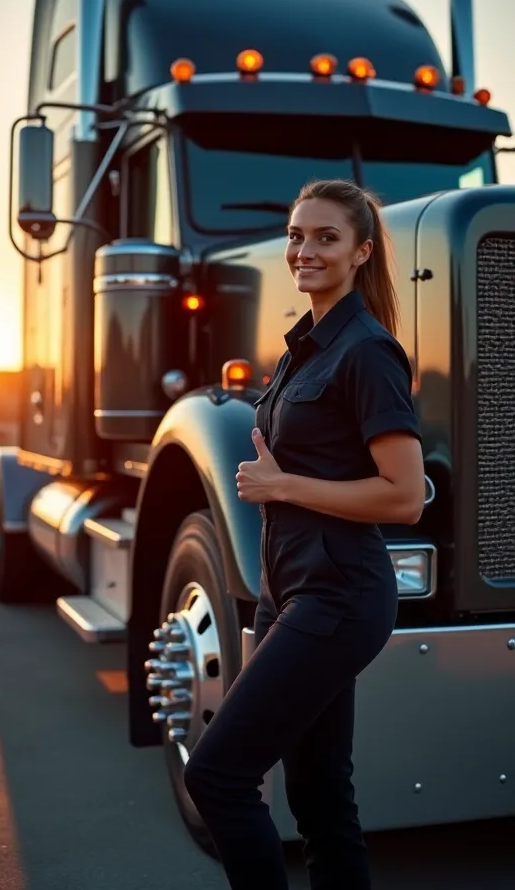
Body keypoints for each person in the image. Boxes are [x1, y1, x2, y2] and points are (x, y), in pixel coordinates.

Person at [182, 178, 425, 890]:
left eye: (325, 238)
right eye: (296, 235)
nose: (303, 250)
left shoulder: (367, 351)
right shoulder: (302, 351)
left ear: (362, 254)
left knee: (218, 774)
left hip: (341, 593)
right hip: (290, 591)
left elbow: (404, 495)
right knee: (318, 797)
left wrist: (282, 486)